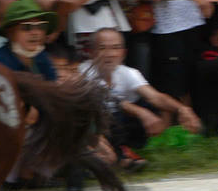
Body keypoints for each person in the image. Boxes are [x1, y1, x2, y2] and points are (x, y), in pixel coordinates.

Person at [80, 26, 201, 168]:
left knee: (152, 105)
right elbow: (105, 99)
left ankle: (122, 150)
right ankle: (113, 155)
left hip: (116, 126)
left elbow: (155, 97)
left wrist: (182, 109)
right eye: (102, 48)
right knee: (111, 112)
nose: (110, 54)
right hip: (90, 127)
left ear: (123, 53)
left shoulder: (128, 72)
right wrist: (141, 112)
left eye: (115, 48)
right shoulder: (83, 71)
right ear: (92, 53)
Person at [0, 0, 59, 80]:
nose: (35, 32)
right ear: (10, 33)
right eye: (27, 27)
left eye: (41, 26)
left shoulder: (42, 56)